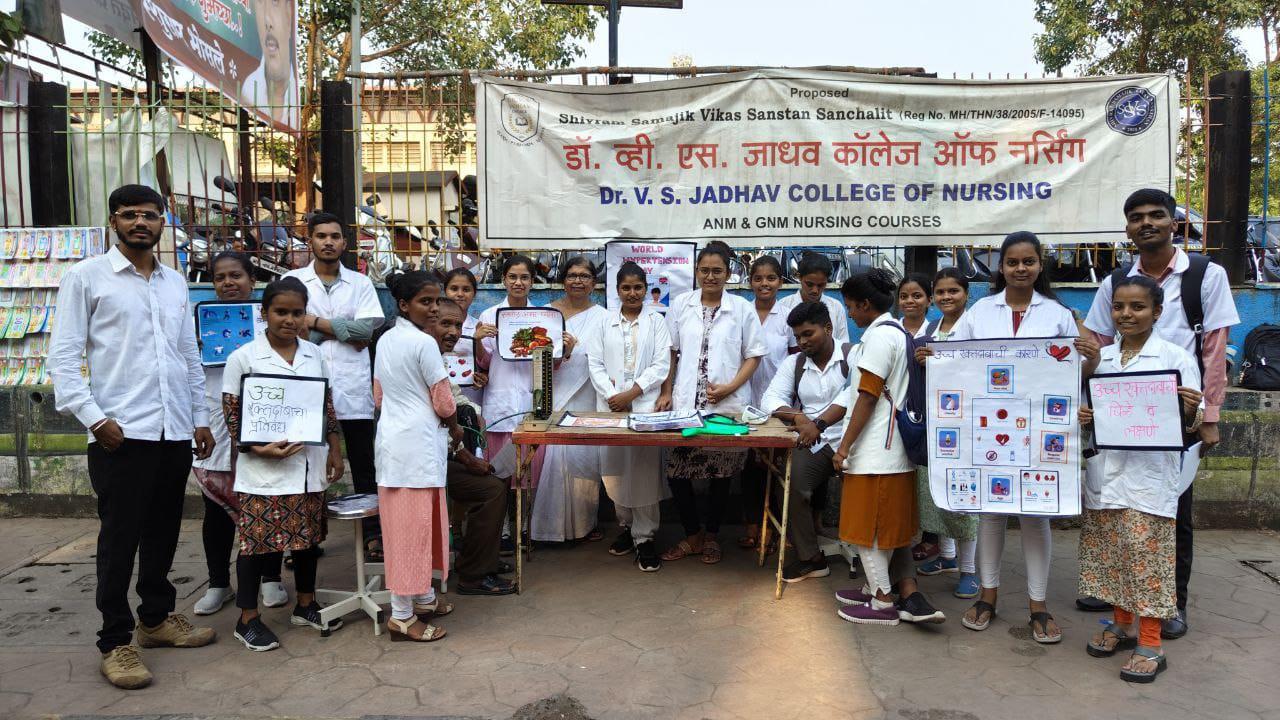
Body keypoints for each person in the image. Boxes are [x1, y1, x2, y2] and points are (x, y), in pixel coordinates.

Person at [50, 183, 218, 688]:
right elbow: (63, 358)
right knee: (119, 540)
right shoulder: (85, 278)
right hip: (119, 434)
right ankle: (115, 640)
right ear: (113, 222)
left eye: (149, 215)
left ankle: (155, 620)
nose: (139, 223)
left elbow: (188, 354)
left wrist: (200, 417)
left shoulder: (173, 283)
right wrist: (95, 419)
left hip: (171, 431)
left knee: (164, 531)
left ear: (163, 222)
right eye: (129, 215)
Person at [1078, 188, 1239, 639]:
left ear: (1173, 222)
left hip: (1177, 414)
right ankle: (1122, 603)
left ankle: (1171, 606)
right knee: (1113, 514)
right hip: (1118, 418)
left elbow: (1214, 349)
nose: (1146, 223)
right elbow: (1098, 343)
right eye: (1136, 217)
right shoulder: (1115, 280)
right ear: (1127, 226)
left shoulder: (1204, 274)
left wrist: (1208, 418)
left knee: (1170, 513)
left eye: (1156, 215)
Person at [940, 231, 1095, 644]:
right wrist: (932, 356)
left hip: (1040, 430)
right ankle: (988, 596)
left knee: (1035, 514)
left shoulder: (1058, 315)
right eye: (1012, 262)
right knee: (990, 511)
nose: (1020, 269)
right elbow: (955, 361)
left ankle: (1037, 605)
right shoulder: (980, 312)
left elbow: (1068, 373)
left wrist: (1089, 363)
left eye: (1028, 261)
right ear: (1001, 267)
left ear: (1040, 266)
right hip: (989, 428)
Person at [1079, 275, 1203, 683]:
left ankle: (1151, 643)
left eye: (1138, 307)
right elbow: (1088, 411)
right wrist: (1086, 417)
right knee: (1114, 554)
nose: (1127, 315)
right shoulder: (1103, 359)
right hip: (1108, 473)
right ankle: (1122, 625)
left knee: (1148, 561)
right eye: (1119, 307)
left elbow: (1193, 423)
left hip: (1149, 479)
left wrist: (1189, 409)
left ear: (1157, 312)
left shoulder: (1175, 358)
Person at [222, 277, 346, 652]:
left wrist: (336, 450)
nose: (289, 319)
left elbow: (326, 407)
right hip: (265, 471)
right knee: (258, 546)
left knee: (308, 541)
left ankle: (305, 605)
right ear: (264, 314)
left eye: (297, 312)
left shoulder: (314, 354)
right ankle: (247, 619)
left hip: (308, 463)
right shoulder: (243, 357)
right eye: (281, 311)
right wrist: (259, 449)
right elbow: (233, 415)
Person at [829, 270, 944, 626]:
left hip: (876, 449)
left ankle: (882, 602)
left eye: (851, 307)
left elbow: (867, 396)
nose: (849, 315)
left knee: (869, 531)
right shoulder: (897, 333)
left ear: (865, 304)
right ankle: (873, 587)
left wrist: (843, 447)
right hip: (892, 449)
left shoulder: (880, 338)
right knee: (886, 528)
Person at [285, 212, 386, 560]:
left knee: (364, 464)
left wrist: (313, 321)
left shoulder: (360, 283)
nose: (328, 242)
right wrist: (340, 328)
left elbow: (366, 334)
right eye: (321, 236)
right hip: (307, 385)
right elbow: (290, 332)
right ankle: (303, 537)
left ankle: (374, 536)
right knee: (305, 463)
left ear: (344, 242)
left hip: (352, 386)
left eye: (335, 236)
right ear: (309, 241)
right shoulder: (293, 281)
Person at [658, 241, 766, 564]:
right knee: (677, 472)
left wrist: (729, 387)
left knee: (722, 475)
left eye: (717, 270)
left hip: (727, 405)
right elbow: (671, 353)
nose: (710, 276)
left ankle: (713, 537)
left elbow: (753, 356)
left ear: (728, 273)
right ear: (696, 272)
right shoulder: (680, 304)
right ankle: (692, 535)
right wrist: (666, 392)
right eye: (704, 270)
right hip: (686, 406)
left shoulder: (742, 309)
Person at [191, 252, 286, 617]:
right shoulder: (200, 324)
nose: (228, 283)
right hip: (216, 419)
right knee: (215, 510)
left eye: (236, 276)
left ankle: (271, 578)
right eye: (220, 278)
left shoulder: (270, 321)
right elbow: (189, 372)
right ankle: (218, 583)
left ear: (252, 280)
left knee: (269, 501)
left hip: (265, 418)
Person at [374, 271, 458, 641]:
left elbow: (378, 396)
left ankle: (423, 597)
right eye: (427, 301)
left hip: (394, 444)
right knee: (411, 534)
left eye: (437, 300)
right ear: (404, 305)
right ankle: (402, 617)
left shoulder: (386, 340)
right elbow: (444, 402)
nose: (435, 308)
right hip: (416, 448)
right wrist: (455, 427)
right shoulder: (425, 344)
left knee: (415, 527)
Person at [586, 262, 672, 572]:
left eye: (638, 287)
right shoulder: (604, 323)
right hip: (610, 408)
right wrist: (612, 395)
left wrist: (631, 394)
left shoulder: (656, 322)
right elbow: (593, 362)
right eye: (626, 287)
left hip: (644, 406)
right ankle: (627, 528)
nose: (632, 293)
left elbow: (662, 364)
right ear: (617, 290)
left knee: (644, 472)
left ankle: (645, 538)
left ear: (646, 289)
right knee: (613, 470)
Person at [760, 301, 853, 583]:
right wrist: (799, 417)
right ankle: (811, 558)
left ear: (827, 328)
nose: (802, 342)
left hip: (854, 440)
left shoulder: (853, 355)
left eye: (808, 334)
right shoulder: (795, 363)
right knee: (792, 483)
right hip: (818, 445)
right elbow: (770, 399)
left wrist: (819, 423)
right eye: (797, 337)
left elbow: (856, 396)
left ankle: (885, 564)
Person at [433, 299, 517, 595]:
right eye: (445, 324)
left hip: (442, 457)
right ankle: (474, 574)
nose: (454, 331)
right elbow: (442, 419)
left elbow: (458, 400)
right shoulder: (424, 356)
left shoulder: (436, 358)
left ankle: (483, 561)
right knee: (491, 489)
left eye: (458, 325)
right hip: (427, 462)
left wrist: (472, 414)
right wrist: (468, 458)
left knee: (496, 481)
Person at [912, 268, 980, 599]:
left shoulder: (974, 328)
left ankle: (970, 571)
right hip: (937, 422)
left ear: (966, 293)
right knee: (938, 492)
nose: (946, 297)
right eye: (940, 292)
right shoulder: (930, 330)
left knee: (964, 499)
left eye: (953, 291)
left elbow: (977, 368)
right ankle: (948, 557)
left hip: (966, 423)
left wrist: (936, 361)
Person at [532, 257, 605, 543]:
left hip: (587, 394)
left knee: (582, 459)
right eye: (572, 275)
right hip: (552, 391)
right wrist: (563, 352)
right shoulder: (547, 314)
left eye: (584, 276)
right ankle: (545, 528)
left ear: (593, 282)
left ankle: (583, 526)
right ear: (563, 280)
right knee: (550, 459)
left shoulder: (603, 316)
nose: (578, 280)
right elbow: (535, 355)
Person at [478, 255, 551, 488]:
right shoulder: (489, 316)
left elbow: (551, 363)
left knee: (530, 478)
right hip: (501, 404)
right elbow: (484, 363)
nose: (518, 282)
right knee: (498, 477)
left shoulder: (544, 316)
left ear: (533, 282)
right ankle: (503, 524)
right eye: (512, 277)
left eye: (524, 277)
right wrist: (477, 340)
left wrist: (564, 349)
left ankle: (527, 524)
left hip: (532, 404)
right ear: (503, 280)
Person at [740, 256, 790, 552]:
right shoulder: (741, 312)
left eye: (771, 278)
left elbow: (797, 360)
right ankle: (752, 529)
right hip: (745, 402)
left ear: (780, 282)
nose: (764, 284)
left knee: (777, 470)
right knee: (750, 470)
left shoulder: (787, 315)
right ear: (750, 282)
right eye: (758, 279)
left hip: (778, 405)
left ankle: (775, 531)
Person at [897, 273, 941, 562]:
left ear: (929, 300)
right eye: (904, 296)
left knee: (929, 475)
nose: (910, 301)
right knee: (902, 472)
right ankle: (905, 532)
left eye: (917, 296)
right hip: (899, 409)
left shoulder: (937, 330)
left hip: (933, 411)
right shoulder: (890, 329)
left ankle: (932, 537)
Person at [240, 0, 298, 129]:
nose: (267, 21)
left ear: (289, 15)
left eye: (275, 3)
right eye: (260, 3)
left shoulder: (298, 98)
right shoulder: (248, 92)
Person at [775, 252, 851, 349]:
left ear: (827, 281)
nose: (815, 290)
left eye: (821, 285)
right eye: (809, 284)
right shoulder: (783, 306)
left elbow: (842, 345)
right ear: (799, 277)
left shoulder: (836, 307)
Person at [443, 267, 489, 408]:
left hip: (472, 400)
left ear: (474, 294)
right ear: (445, 291)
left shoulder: (480, 327)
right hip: (441, 400)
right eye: (454, 288)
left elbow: (486, 365)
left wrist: (482, 377)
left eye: (466, 289)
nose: (460, 294)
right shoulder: (432, 326)